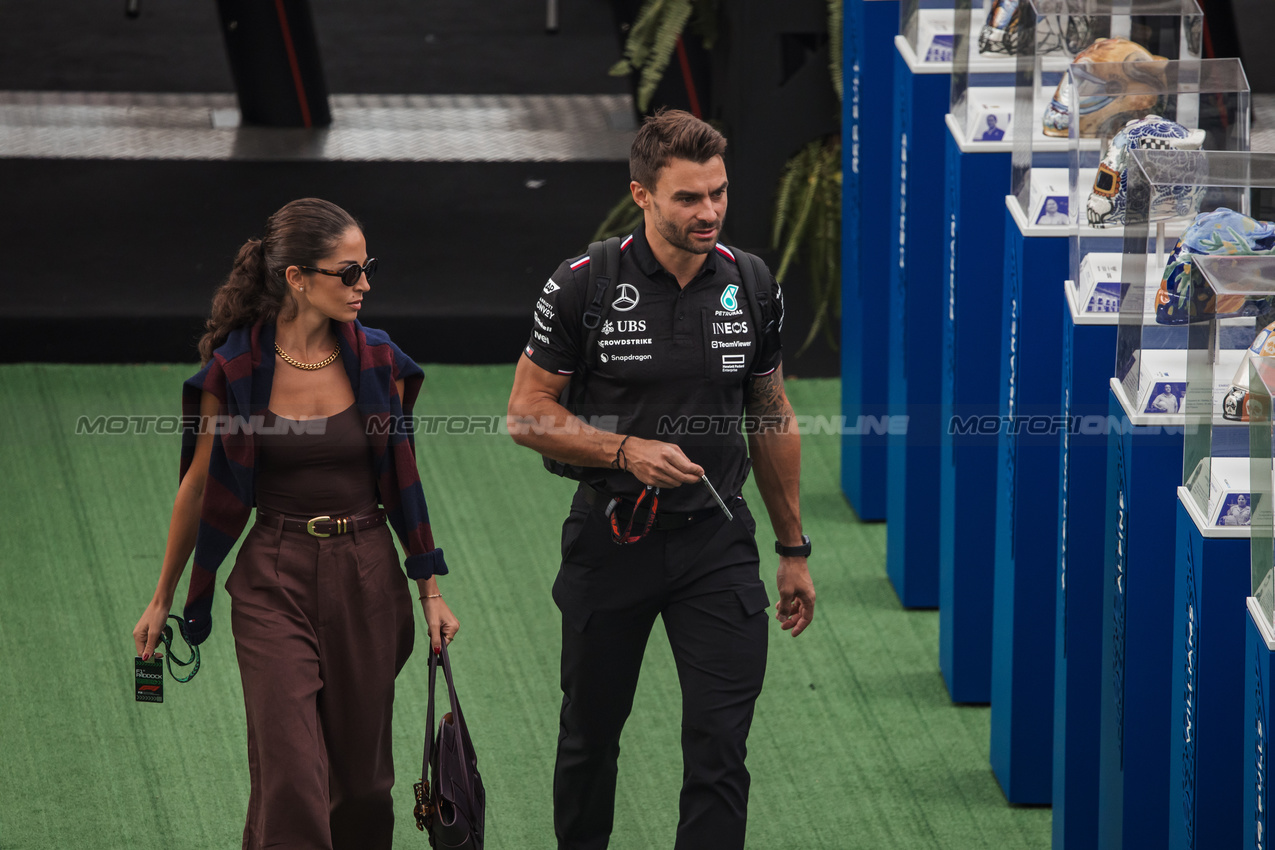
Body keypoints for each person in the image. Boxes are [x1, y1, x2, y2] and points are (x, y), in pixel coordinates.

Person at [506, 108, 816, 850]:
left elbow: (769, 414)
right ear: (642, 195)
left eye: (717, 193)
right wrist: (624, 453)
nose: (707, 211)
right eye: (687, 197)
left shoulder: (752, 283)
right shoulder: (582, 284)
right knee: (589, 736)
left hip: (715, 541)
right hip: (612, 540)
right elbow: (526, 415)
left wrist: (793, 548)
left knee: (718, 744)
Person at [131, 198, 459, 850]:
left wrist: (431, 591)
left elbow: (404, 483)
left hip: (367, 576)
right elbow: (198, 487)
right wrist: (162, 596)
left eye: (367, 268)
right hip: (272, 578)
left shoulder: (379, 363)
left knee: (362, 790)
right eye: (349, 272)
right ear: (297, 278)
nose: (364, 284)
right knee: (289, 778)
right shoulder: (237, 369)